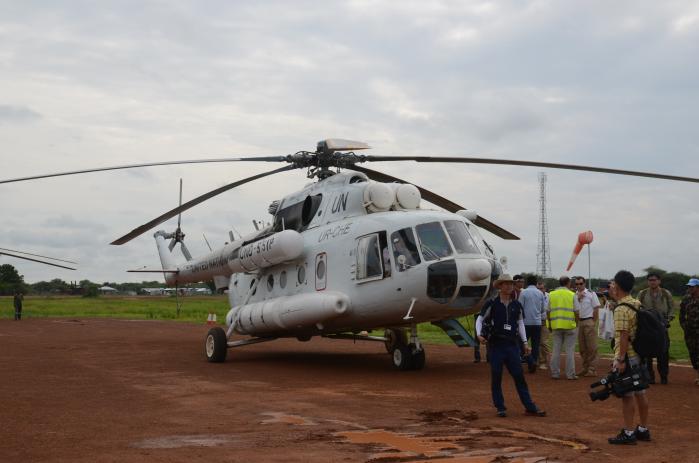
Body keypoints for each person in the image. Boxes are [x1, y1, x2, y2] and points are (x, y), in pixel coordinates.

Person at [476, 274, 546, 418]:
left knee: (519, 376)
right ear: (500, 286)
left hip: (512, 345)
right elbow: (480, 319)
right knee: (496, 376)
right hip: (496, 345)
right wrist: (478, 334)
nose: (509, 286)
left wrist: (525, 342)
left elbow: (520, 323)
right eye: (505, 283)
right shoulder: (491, 303)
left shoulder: (516, 305)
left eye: (511, 284)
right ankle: (500, 407)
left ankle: (530, 407)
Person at [607, 270, 650, 445]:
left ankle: (628, 432)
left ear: (617, 286)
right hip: (639, 355)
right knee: (640, 392)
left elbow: (623, 336)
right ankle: (643, 429)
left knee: (627, 395)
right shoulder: (636, 303)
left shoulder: (621, 309)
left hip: (628, 356)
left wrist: (621, 359)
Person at [636, 273, 674, 384]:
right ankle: (649, 377)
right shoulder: (642, 294)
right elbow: (638, 308)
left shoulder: (666, 293)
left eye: (654, 280)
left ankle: (663, 376)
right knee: (647, 353)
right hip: (647, 328)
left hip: (662, 327)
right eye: (650, 280)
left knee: (663, 352)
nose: (652, 282)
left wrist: (668, 320)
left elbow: (672, 308)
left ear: (659, 281)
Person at [548, 276, 578, 380]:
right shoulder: (572, 294)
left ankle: (555, 373)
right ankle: (570, 374)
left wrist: (550, 324)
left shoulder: (551, 294)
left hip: (556, 325)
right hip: (570, 325)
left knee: (556, 350)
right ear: (568, 283)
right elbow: (577, 311)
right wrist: (576, 323)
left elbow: (547, 311)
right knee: (570, 350)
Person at [574, 276, 601, 377]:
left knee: (592, 347)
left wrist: (593, 321)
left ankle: (592, 369)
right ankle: (585, 368)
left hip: (589, 320)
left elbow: (596, 308)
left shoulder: (591, 293)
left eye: (581, 283)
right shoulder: (574, 295)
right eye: (577, 284)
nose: (579, 286)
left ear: (584, 284)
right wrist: (578, 298)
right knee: (582, 347)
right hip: (579, 322)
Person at [519, 275, 546, 373]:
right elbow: (543, 309)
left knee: (522, 343)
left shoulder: (523, 293)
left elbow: (520, 307)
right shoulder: (540, 293)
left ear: (527, 282)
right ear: (535, 283)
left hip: (526, 322)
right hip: (537, 322)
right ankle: (534, 361)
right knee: (535, 344)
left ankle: (528, 360)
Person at [679, 278, 699, 386]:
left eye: (692, 286)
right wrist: (684, 326)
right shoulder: (686, 299)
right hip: (690, 332)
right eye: (689, 286)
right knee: (693, 354)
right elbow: (681, 315)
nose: (690, 288)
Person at [537, 281, 551, 370]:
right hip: (535, 322)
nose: (539, 290)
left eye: (541, 288)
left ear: (545, 289)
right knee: (536, 343)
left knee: (543, 342)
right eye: (538, 288)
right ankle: (538, 360)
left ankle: (544, 362)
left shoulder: (549, 296)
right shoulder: (534, 296)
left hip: (545, 321)